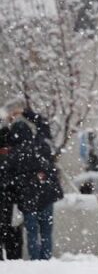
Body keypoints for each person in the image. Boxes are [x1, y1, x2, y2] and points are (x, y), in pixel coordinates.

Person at [6, 106, 63, 260]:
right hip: (46, 194)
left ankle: (35, 261)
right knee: (46, 232)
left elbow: (9, 179)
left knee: (32, 232)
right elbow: (43, 123)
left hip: (28, 198)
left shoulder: (14, 155)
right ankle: (46, 259)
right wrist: (25, 112)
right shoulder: (42, 143)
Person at [0, 125, 24, 260]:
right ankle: (14, 258)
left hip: (6, 199)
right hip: (12, 201)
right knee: (13, 232)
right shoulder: (14, 159)